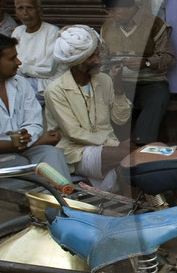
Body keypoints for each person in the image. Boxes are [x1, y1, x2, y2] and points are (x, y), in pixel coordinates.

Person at [0, 32, 69, 180]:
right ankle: (52, 199)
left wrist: (28, 140)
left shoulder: (20, 83)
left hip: (26, 150)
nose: (19, 62)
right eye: (12, 58)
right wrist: (31, 143)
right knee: (27, 167)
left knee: (52, 154)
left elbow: (34, 123)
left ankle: (64, 200)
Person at [44, 25, 132, 183]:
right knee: (134, 156)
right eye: (91, 57)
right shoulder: (55, 90)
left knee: (142, 154)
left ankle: (133, 206)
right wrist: (113, 145)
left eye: (98, 55)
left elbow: (121, 119)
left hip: (107, 147)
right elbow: (73, 133)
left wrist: (118, 89)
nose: (98, 61)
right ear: (76, 61)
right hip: (76, 153)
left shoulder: (105, 81)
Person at [99, 0, 175, 146]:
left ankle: (140, 144)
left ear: (129, 5)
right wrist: (109, 67)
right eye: (109, 10)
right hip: (118, 82)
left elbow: (169, 57)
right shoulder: (107, 27)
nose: (112, 14)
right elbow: (102, 57)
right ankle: (112, 144)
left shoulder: (154, 24)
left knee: (157, 98)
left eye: (115, 9)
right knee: (102, 98)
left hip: (150, 83)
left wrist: (146, 63)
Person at [11, 0, 60, 90]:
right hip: (20, 79)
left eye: (30, 8)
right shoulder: (18, 31)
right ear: (16, 13)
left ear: (40, 11)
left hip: (43, 83)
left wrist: (22, 68)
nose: (25, 13)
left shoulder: (52, 31)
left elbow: (48, 70)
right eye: (20, 8)